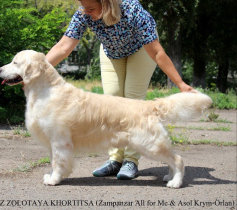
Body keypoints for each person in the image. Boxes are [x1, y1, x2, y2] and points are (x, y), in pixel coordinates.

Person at [45, 0, 193, 180]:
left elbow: (156, 52)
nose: (86, 12)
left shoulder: (132, 10)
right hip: (112, 52)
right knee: (111, 102)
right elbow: (62, 47)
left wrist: (180, 83)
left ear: (106, 4)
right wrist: (39, 68)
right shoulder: (84, 13)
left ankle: (131, 160)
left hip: (141, 51)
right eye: (83, 7)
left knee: (133, 103)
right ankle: (115, 159)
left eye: (91, 8)